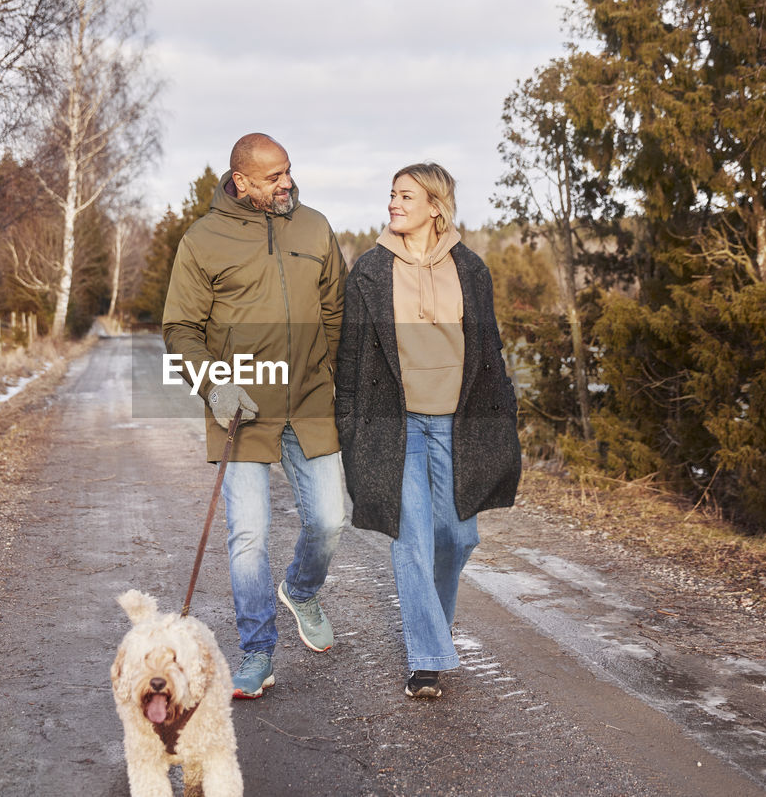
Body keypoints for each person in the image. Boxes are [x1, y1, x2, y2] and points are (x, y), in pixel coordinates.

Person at [163, 133, 348, 699]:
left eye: (288, 171)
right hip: (240, 407)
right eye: (273, 177)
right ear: (241, 181)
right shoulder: (202, 240)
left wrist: (327, 376)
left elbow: (335, 311)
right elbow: (180, 329)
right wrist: (215, 385)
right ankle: (257, 652)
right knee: (248, 535)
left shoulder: (314, 227)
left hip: (310, 403)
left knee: (330, 519)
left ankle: (301, 588)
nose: (286, 183)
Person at [335, 162, 521, 699]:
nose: (393, 204)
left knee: (457, 536)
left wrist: (503, 419)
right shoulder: (369, 271)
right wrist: (350, 429)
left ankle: (430, 629)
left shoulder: (471, 270)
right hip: (396, 426)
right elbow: (350, 359)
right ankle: (427, 657)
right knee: (410, 538)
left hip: (458, 423)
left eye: (406, 196)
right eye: (392, 194)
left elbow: (491, 353)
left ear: (436, 207)